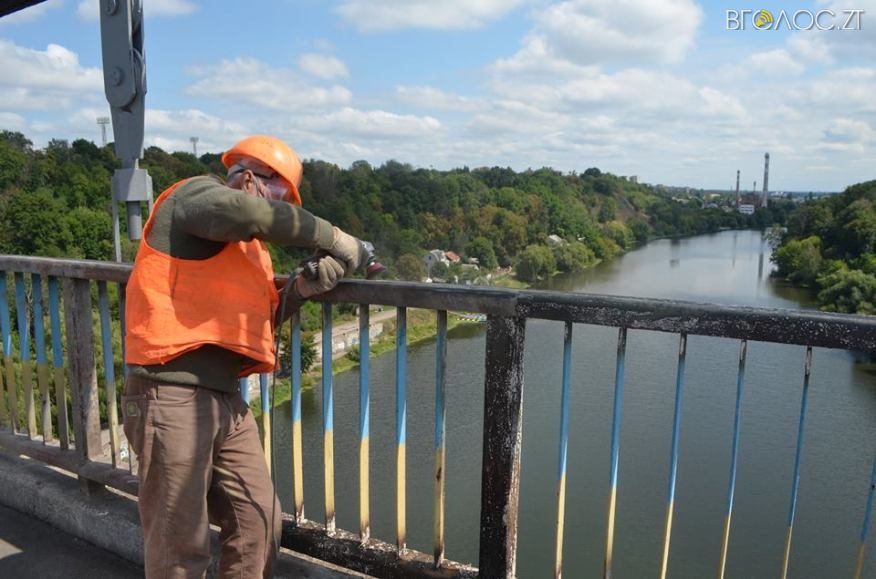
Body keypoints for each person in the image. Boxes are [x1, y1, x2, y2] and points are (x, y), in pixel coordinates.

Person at [121, 135, 364, 578]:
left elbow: (255, 320)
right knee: (180, 547)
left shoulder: (248, 251)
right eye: (280, 196)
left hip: (226, 400)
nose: (282, 208)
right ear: (249, 178)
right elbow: (248, 214)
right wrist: (333, 237)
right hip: (169, 392)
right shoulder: (194, 197)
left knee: (259, 522)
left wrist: (301, 289)